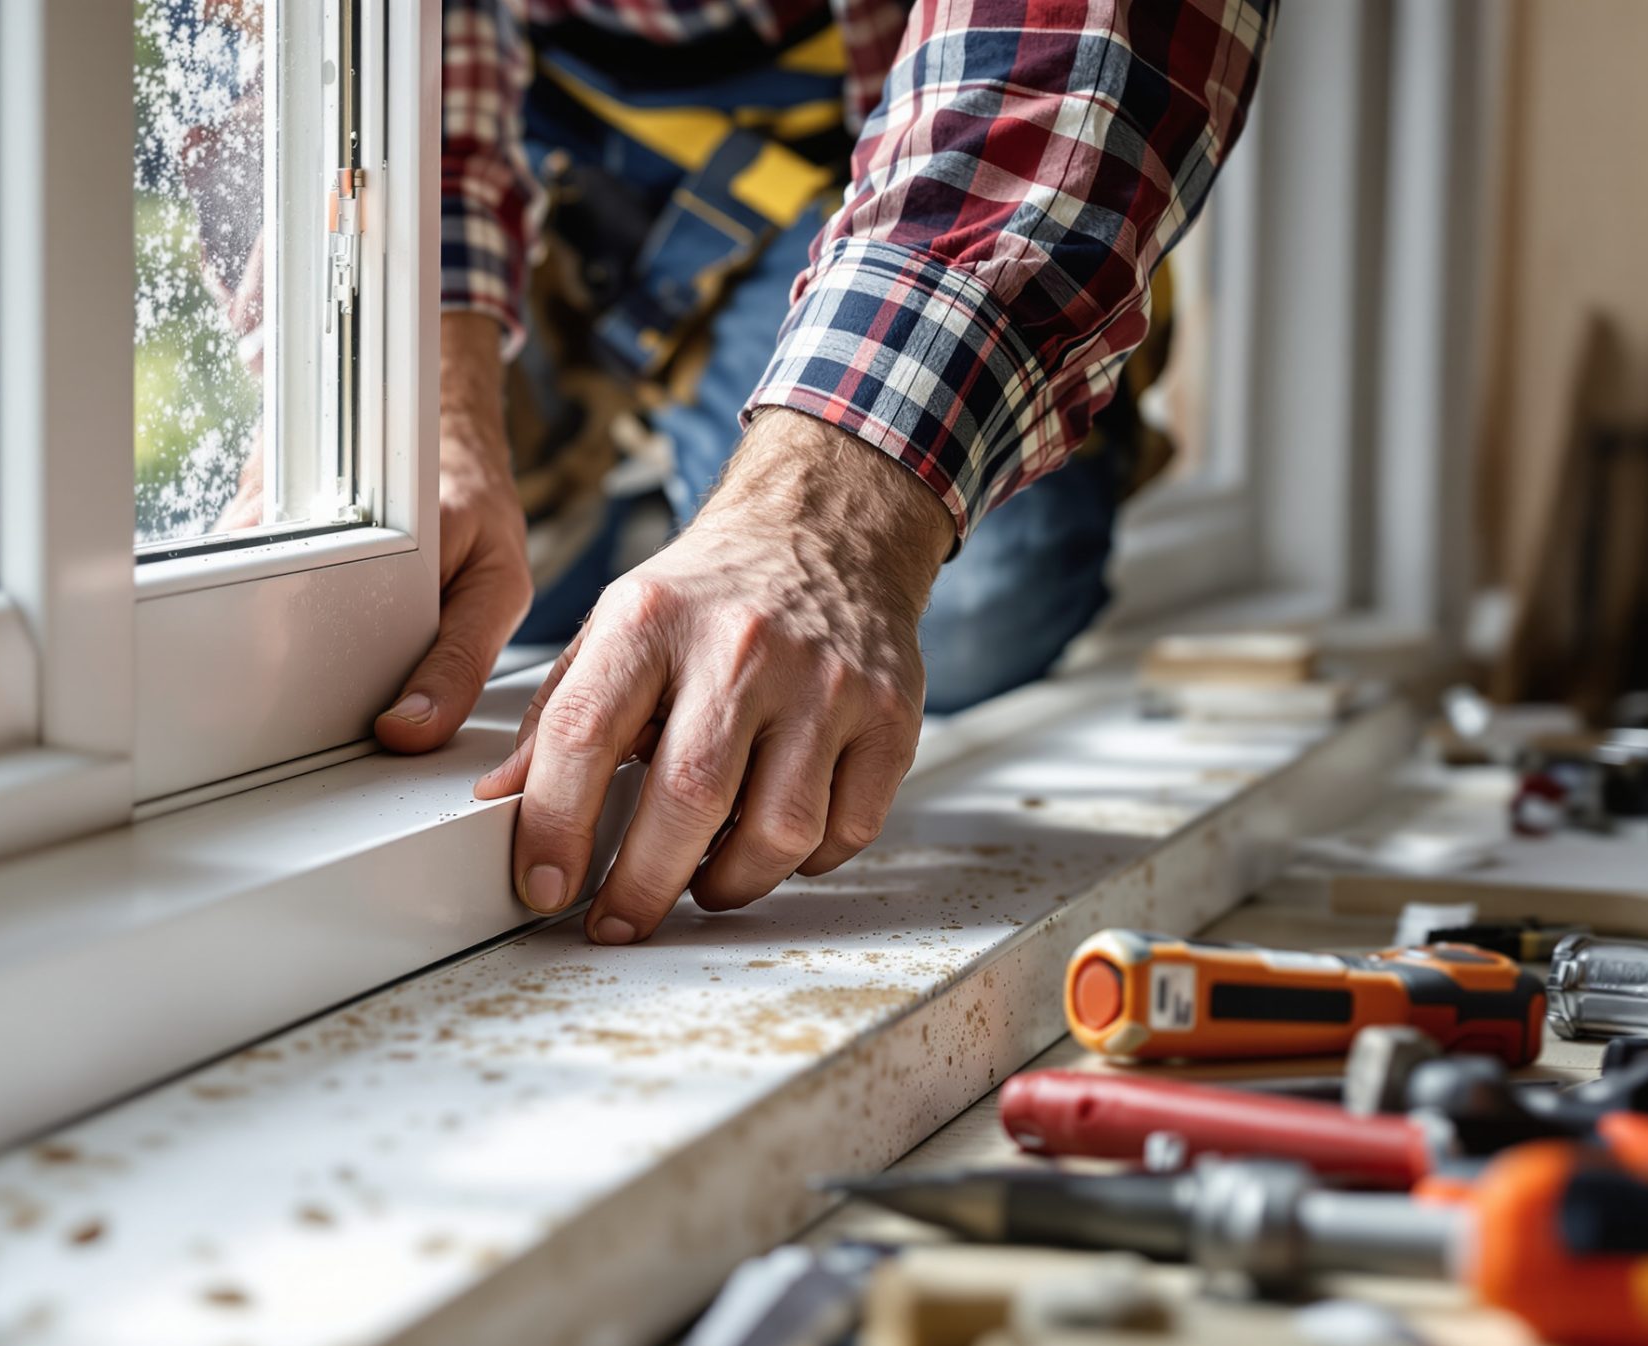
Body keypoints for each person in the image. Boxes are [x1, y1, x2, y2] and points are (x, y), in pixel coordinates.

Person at [341, 0, 1272, 946]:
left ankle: (1028, 360)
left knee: (975, 608)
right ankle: (630, 502)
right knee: (473, 596)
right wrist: (433, 397)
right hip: (529, 99)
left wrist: (825, 527)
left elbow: (1065, 45)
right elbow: (336, 51)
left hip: (884, 115)